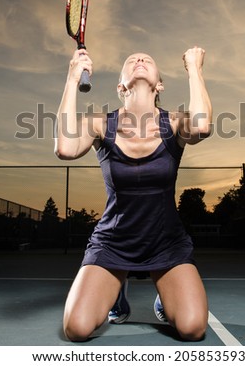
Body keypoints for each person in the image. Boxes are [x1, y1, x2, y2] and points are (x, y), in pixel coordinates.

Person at [55, 46, 212, 342]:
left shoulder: (175, 122)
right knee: (76, 328)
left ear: (159, 84)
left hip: (166, 244)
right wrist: (72, 77)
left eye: (147, 60)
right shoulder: (100, 123)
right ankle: (117, 292)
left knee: (192, 328)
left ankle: (164, 297)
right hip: (114, 243)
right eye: (131, 60)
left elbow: (202, 126)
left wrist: (194, 68)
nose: (139, 59)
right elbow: (64, 148)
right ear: (120, 86)